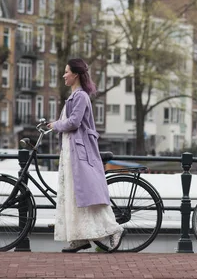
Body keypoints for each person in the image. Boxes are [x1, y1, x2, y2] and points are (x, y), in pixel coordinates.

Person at [47, 58, 124, 253]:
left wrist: (55, 125)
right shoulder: (73, 97)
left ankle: (114, 229)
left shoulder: (81, 96)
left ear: (76, 75)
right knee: (74, 195)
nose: (64, 75)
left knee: (86, 195)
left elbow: (73, 123)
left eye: (66, 72)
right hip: (71, 152)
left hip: (79, 153)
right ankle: (80, 238)